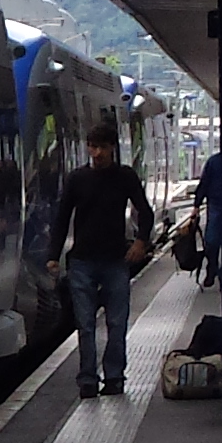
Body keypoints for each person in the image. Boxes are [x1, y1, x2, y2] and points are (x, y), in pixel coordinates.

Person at [48, 122, 156, 396]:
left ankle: (115, 377)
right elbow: (62, 218)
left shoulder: (125, 177)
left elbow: (145, 210)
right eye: (93, 147)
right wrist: (53, 256)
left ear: (112, 148)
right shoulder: (76, 179)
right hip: (82, 261)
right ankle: (87, 379)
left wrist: (141, 241)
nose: (96, 153)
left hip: (114, 260)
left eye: (102, 148)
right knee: (84, 324)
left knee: (117, 323)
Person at [194, 147, 222, 286]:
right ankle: (213, 268)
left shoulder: (213, 162)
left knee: (213, 240)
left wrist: (197, 204)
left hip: (221, 206)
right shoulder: (214, 162)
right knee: (211, 241)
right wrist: (196, 205)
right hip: (217, 205)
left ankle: (218, 271)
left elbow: (204, 184)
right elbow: (204, 184)